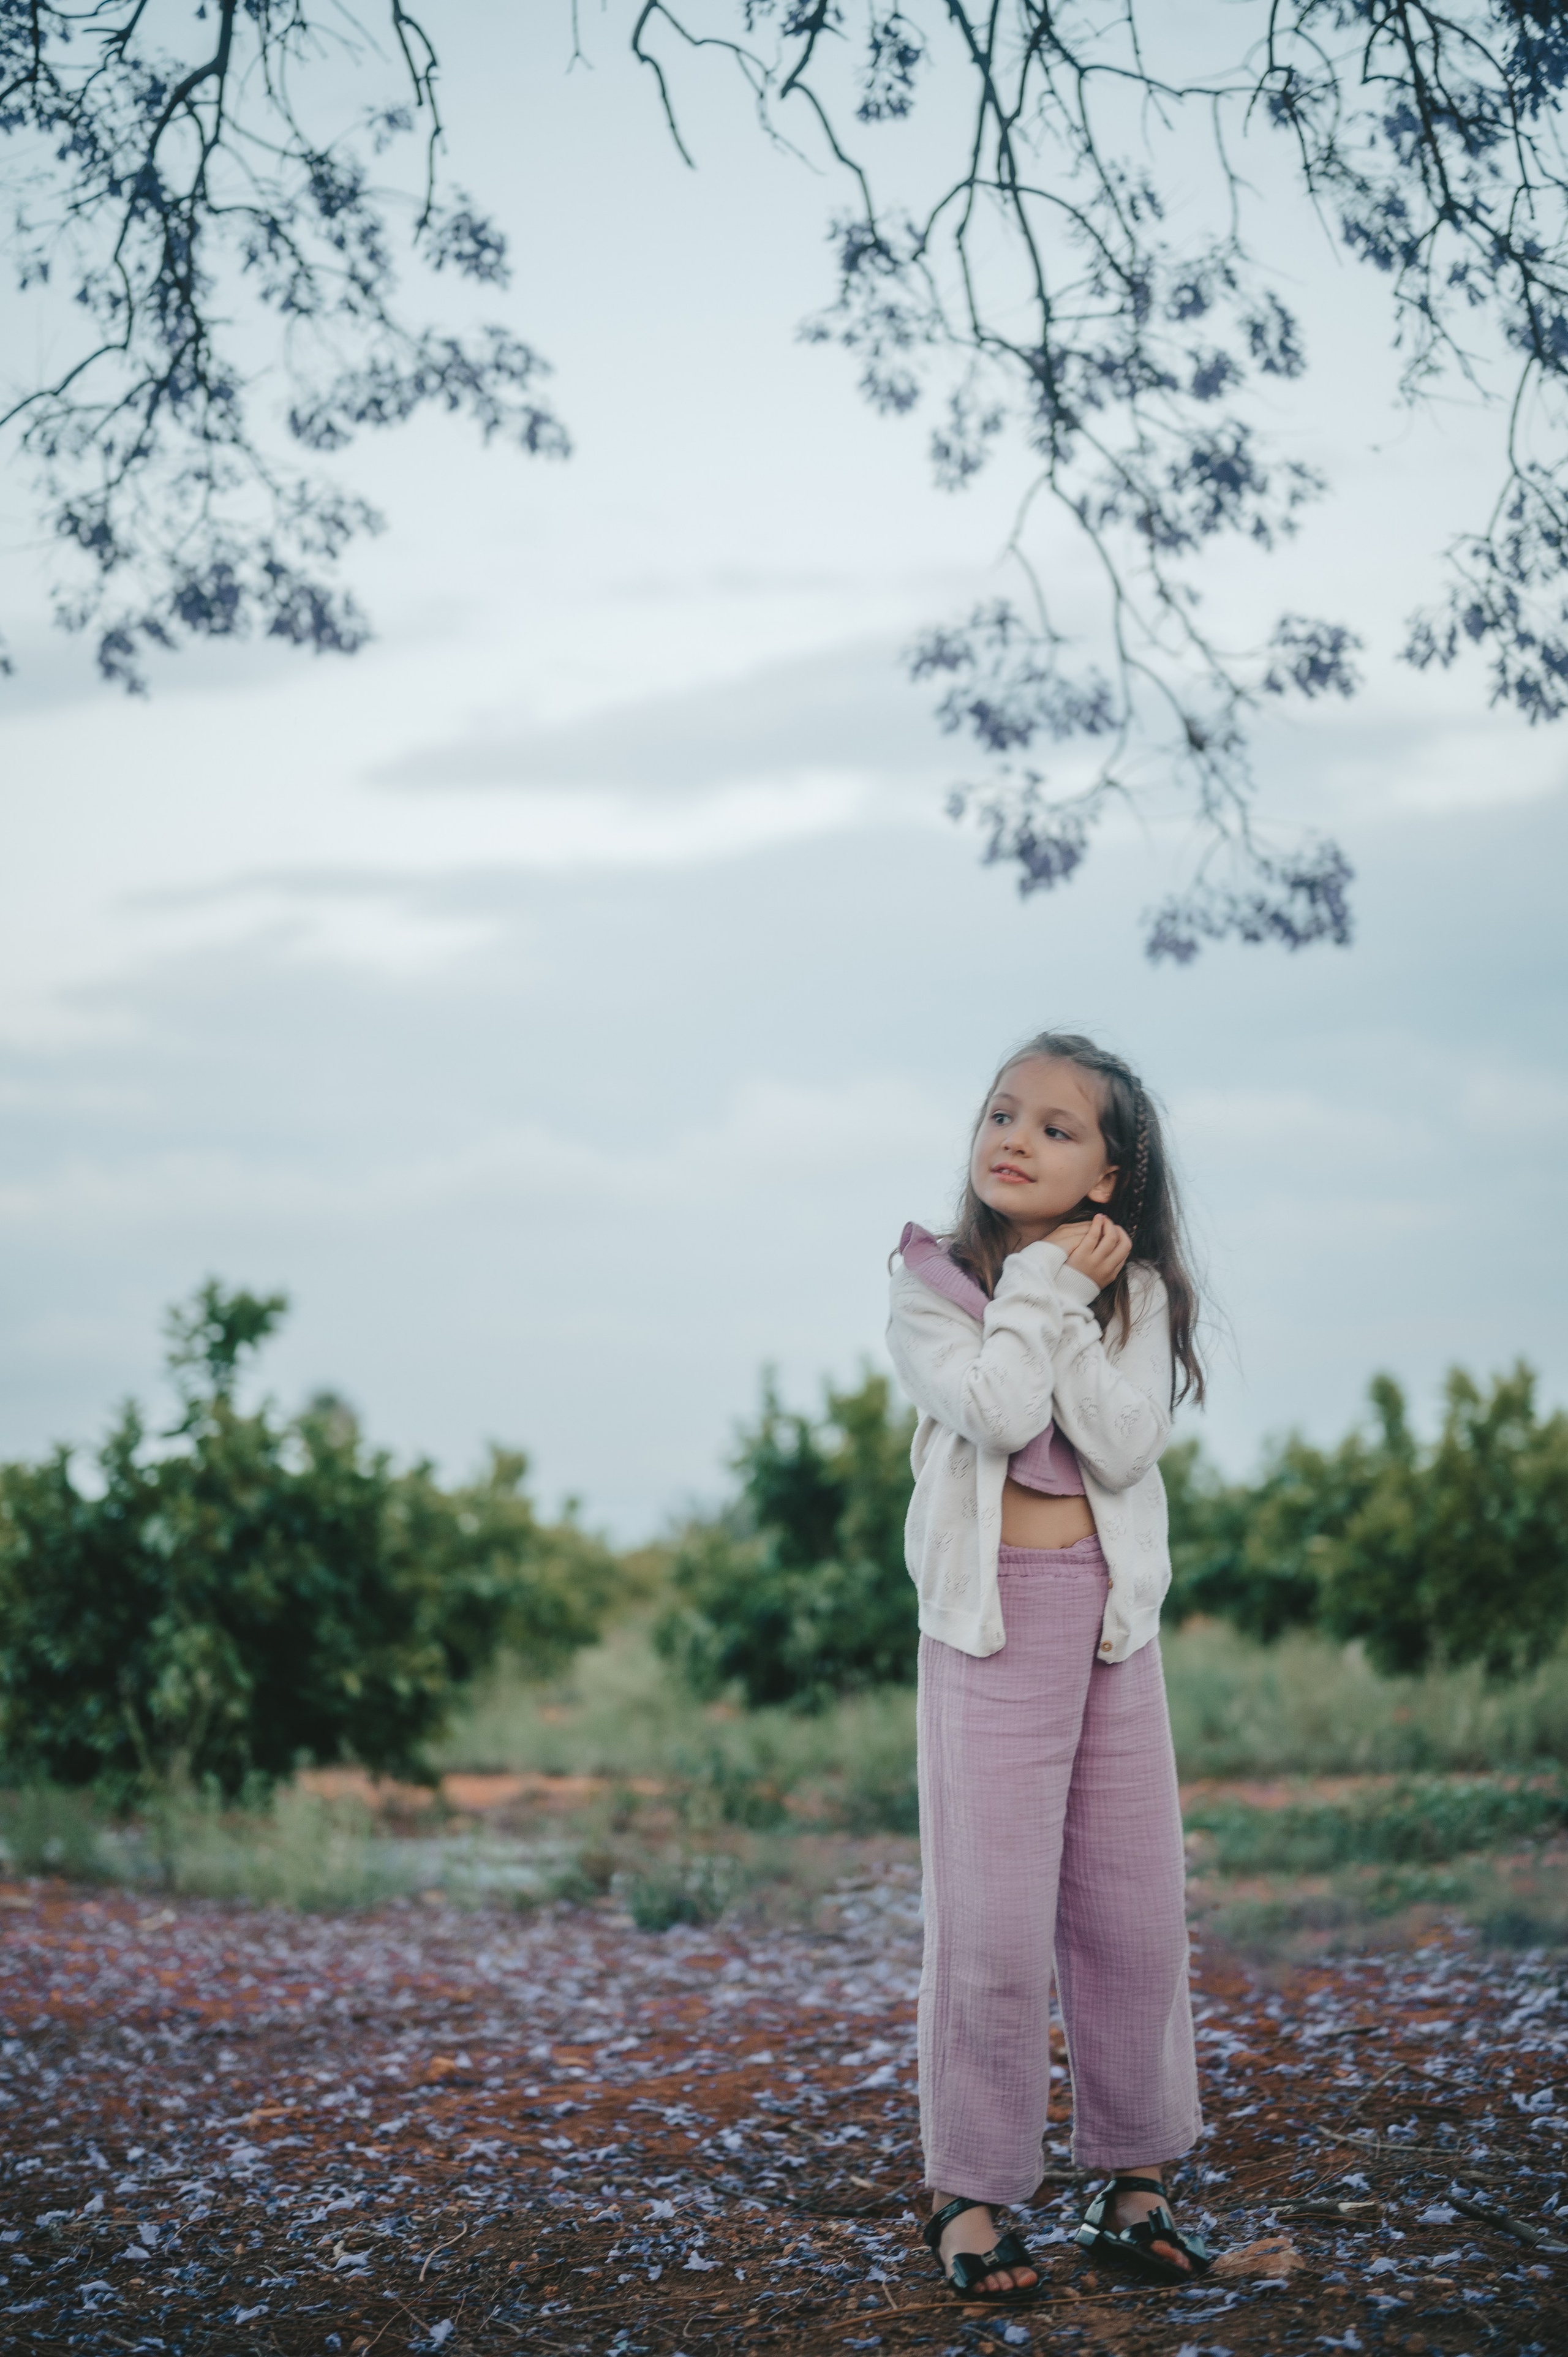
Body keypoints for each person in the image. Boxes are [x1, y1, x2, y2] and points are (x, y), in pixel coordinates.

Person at [886, 1031, 1212, 2303]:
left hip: (1112, 1623)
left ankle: (1136, 2183)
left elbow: (1122, 1446)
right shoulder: (931, 1283)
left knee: (1135, 1919)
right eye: (1001, 1113)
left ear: (1108, 1178)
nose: (1013, 1137)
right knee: (991, 1928)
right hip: (990, 1629)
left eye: (1055, 1127)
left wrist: (1073, 1303)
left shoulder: (1135, 1296)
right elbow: (998, 1410)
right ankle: (968, 2191)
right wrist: (1034, 1286)